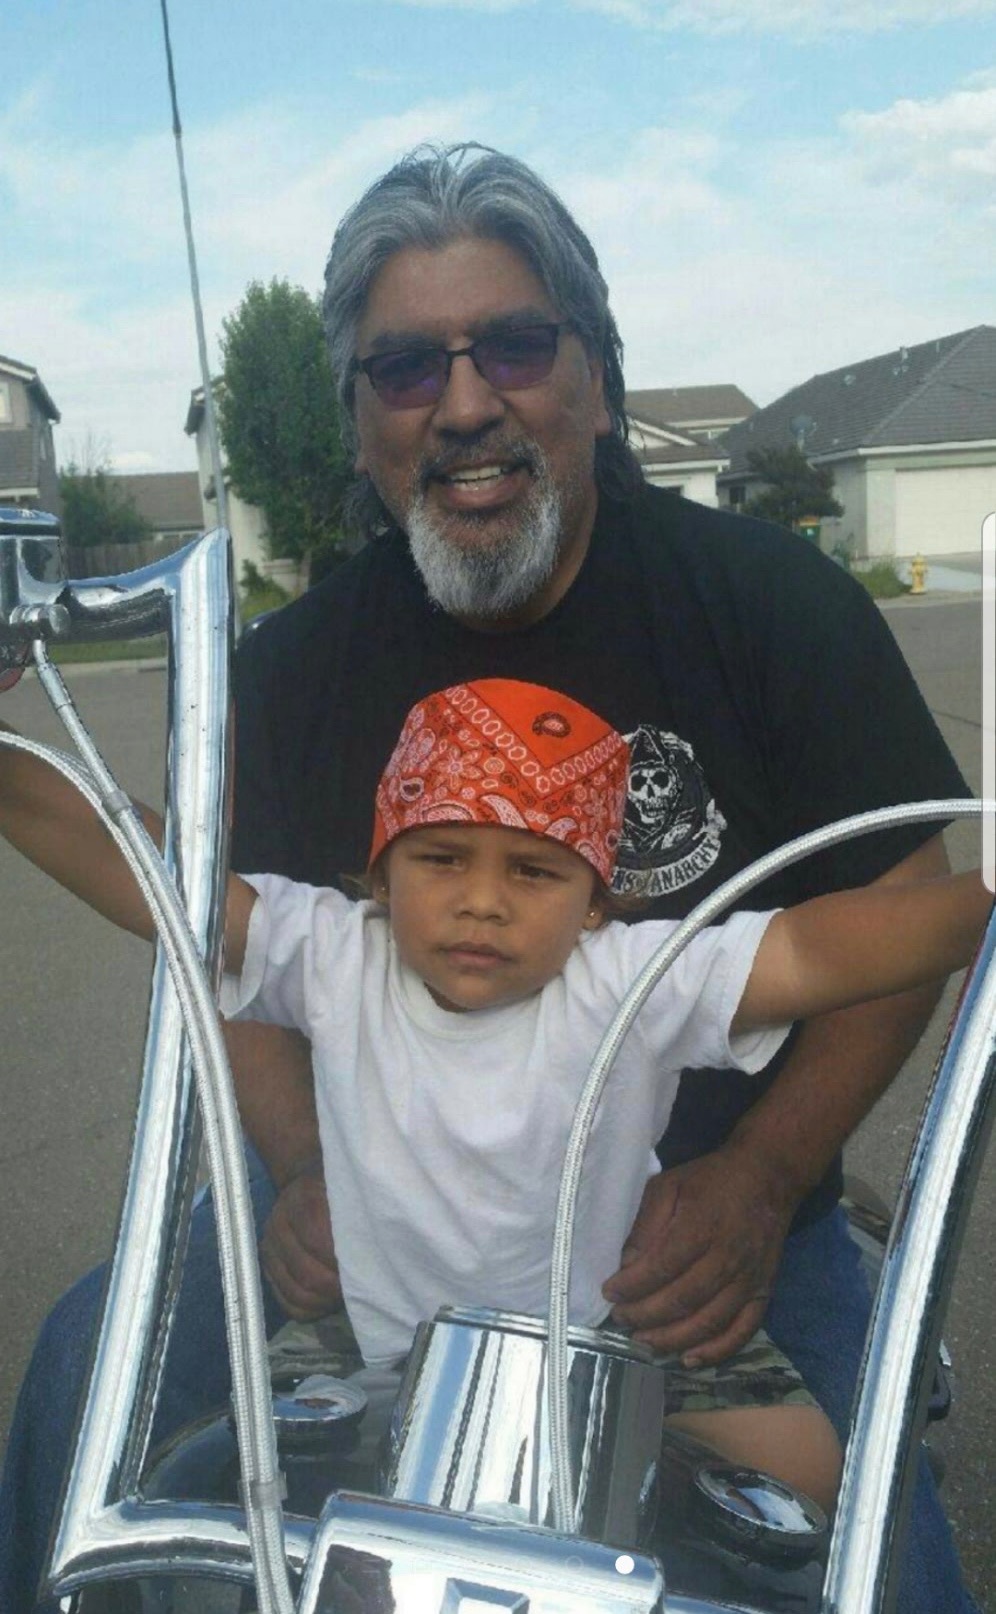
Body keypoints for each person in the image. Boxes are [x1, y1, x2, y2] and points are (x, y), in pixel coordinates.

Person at [0, 143, 978, 1612]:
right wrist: (309, 1170)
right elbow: (221, 939)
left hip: (710, 1220)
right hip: (368, 1188)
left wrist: (764, 1176)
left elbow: (885, 919)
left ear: (597, 378)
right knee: (87, 1375)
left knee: (881, 1551)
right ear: (360, 420)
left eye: (513, 345)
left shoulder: (773, 604)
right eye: (406, 366)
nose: (464, 403)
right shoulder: (293, 667)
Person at [0, 676, 989, 1516]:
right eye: (440, 858)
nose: (482, 900)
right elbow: (143, 869)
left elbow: (811, 949)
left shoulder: (632, 977)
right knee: (255, 1504)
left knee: (824, 1486)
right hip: (382, 1340)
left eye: (533, 871)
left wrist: (982, 897)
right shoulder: (334, 955)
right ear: (381, 876)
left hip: (611, 1329)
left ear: (594, 903)